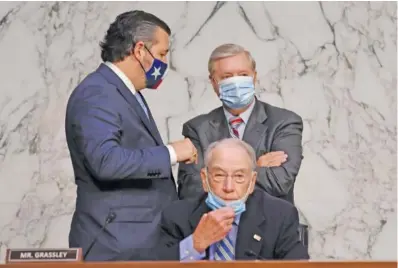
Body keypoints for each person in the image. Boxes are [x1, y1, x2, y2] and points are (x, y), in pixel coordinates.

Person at [65, 10, 197, 261]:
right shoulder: (98, 92)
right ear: (139, 50)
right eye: (161, 54)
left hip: (142, 242)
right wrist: (171, 152)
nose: (164, 65)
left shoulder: (126, 92)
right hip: (116, 245)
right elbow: (105, 161)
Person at [178, 43, 304, 204]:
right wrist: (254, 167)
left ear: (254, 76)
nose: (236, 83)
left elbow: (280, 182)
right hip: (214, 225)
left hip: (268, 226)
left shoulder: (284, 122)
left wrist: (217, 176)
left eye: (243, 74)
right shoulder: (197, 129)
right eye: (227, 77)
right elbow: (190, 190)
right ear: (213, 82)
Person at [155, 138, 309, 261]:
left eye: (239, 176)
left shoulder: (280, 215)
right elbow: (154, 265)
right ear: (204, 179)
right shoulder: (176, 215)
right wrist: (196, 244)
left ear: (252, 182)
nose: (228, 187)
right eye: (219, 175)